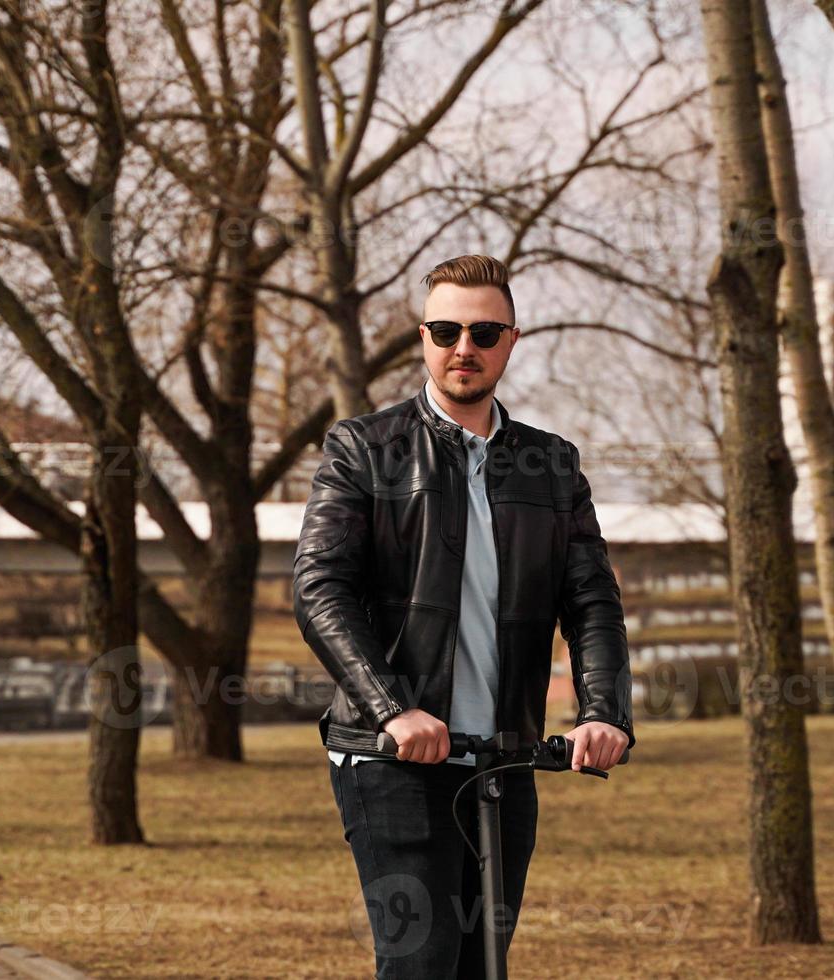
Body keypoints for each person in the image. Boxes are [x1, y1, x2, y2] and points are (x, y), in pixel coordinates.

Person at [292, 254, 635, 978]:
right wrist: (394, 710)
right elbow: (320, 588)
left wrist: (605, 712)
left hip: (504, 760)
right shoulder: (364, 449)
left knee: (483, 964)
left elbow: (592, 602)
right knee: (422, 963)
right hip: (392, 760)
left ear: (512, 340)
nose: (463, 348)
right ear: (423, 336)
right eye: (446, 329)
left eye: (484, 332)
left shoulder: (553, 465)